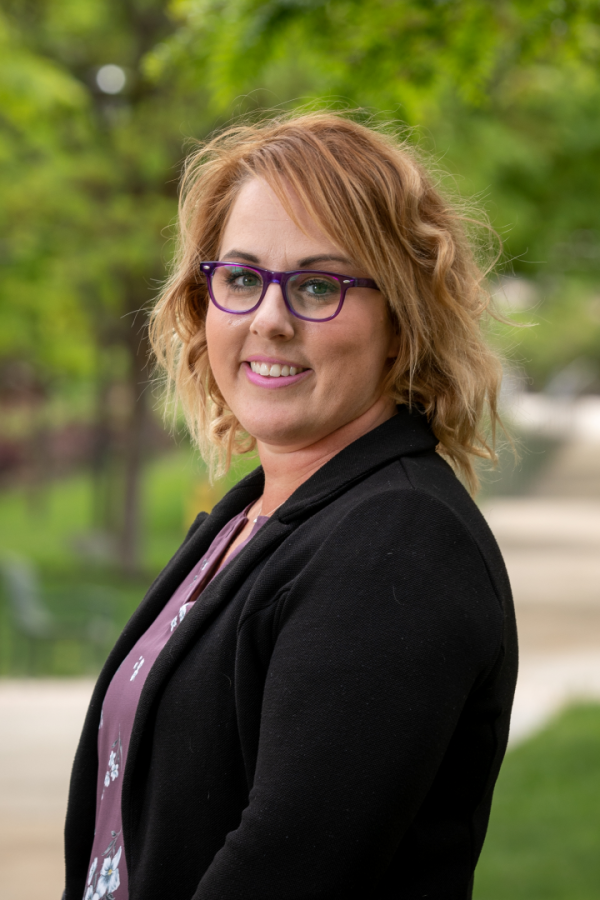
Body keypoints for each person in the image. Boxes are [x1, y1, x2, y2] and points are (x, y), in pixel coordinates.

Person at [64, 112, 517, 900]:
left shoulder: (397, 543)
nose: (269, 319)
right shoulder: (258, 518)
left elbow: (286, 871)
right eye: (241, 279)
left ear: (400, 325)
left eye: (318, 285)